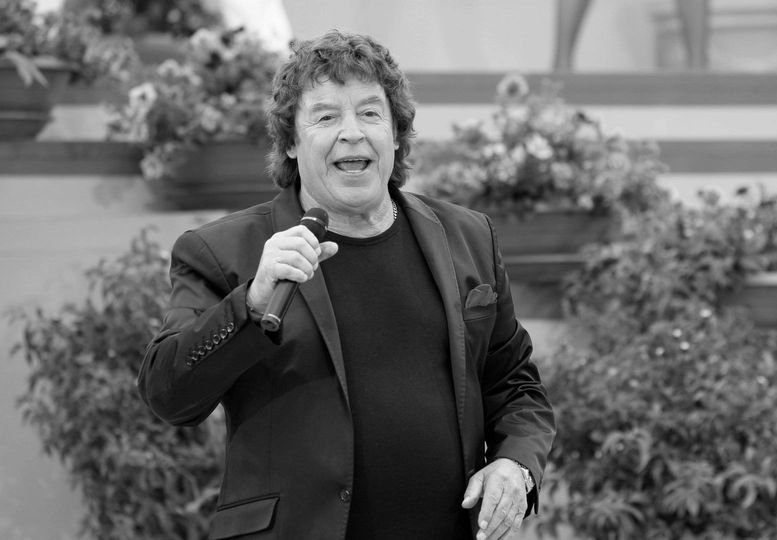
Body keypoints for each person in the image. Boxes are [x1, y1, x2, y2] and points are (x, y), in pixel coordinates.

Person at [137, 30, 556, 540]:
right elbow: (169, 395)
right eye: (326, 117)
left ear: (396, 134)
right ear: (290, 142)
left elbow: (515, 385)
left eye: (370, 113)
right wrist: (251, 302)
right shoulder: (222, 250)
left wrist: (515, 463)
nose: (352, 133)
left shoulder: (468, 236)